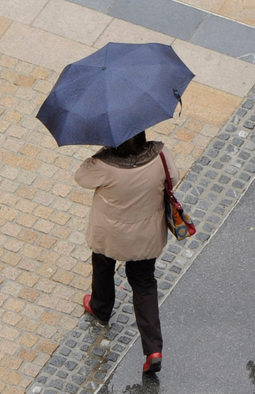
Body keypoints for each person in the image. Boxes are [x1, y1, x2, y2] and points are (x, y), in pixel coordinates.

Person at [75, 131, 179, 374]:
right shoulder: (160, 154)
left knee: (103, 264)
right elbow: (173, 177)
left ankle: (101, 308)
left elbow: (80, 176)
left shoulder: (104, 165)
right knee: (143, 283)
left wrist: (101, 152)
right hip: (146, 233)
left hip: (110, 234)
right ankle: (153, 349)